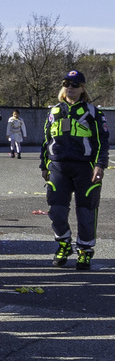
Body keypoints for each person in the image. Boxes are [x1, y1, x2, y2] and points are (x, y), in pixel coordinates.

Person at [42, 69, 107, 270]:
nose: (70, 87)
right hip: (58, 167)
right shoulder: (54, 111)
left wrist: (100, 165)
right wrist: (44, 165)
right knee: (56, 211)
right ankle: (64, 244)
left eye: (74, 85)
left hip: (85, 168)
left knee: (86, 211)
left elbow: (102, 141)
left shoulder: (93, 112)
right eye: (66, 84)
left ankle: (85, 251)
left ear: (82, 88)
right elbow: (46, 141)